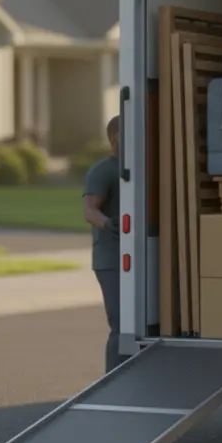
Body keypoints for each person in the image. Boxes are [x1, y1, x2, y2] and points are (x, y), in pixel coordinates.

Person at [83, 117, 122, 373]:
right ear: (114, 139)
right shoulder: (104, 170)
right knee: (121, 324)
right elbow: (89, 210)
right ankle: (114, 380)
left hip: (136, 257)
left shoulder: (143, 166)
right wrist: (109, 224)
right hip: (111, 261)